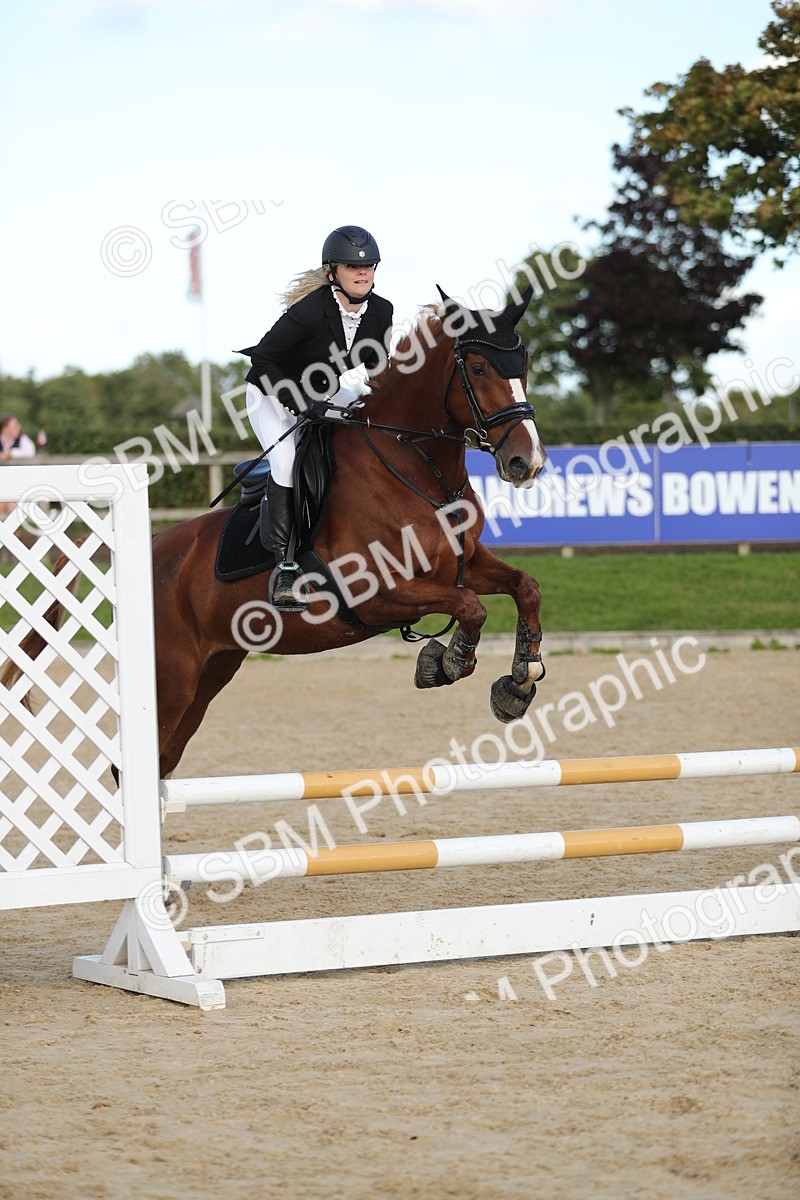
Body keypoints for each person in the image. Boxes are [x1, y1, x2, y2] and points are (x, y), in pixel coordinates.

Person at [238, 225, 394, 609]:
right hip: (271, 393)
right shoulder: (309, 312)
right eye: (351, 267)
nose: (363, 273)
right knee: (288, 460)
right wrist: (296, 401)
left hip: (323, 391)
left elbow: (378, 370)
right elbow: (263, 360)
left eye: (369, 266)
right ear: (331, 273)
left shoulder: (382, 312)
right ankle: (285, 568)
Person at [0, 415, 36, 515]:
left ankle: (13, 530)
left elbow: (30, 452)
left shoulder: (23, 438)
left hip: (17, 483)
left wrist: (10, 454)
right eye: (15, 426)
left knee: (12, 504)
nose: (18, 428)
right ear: (5, 428)